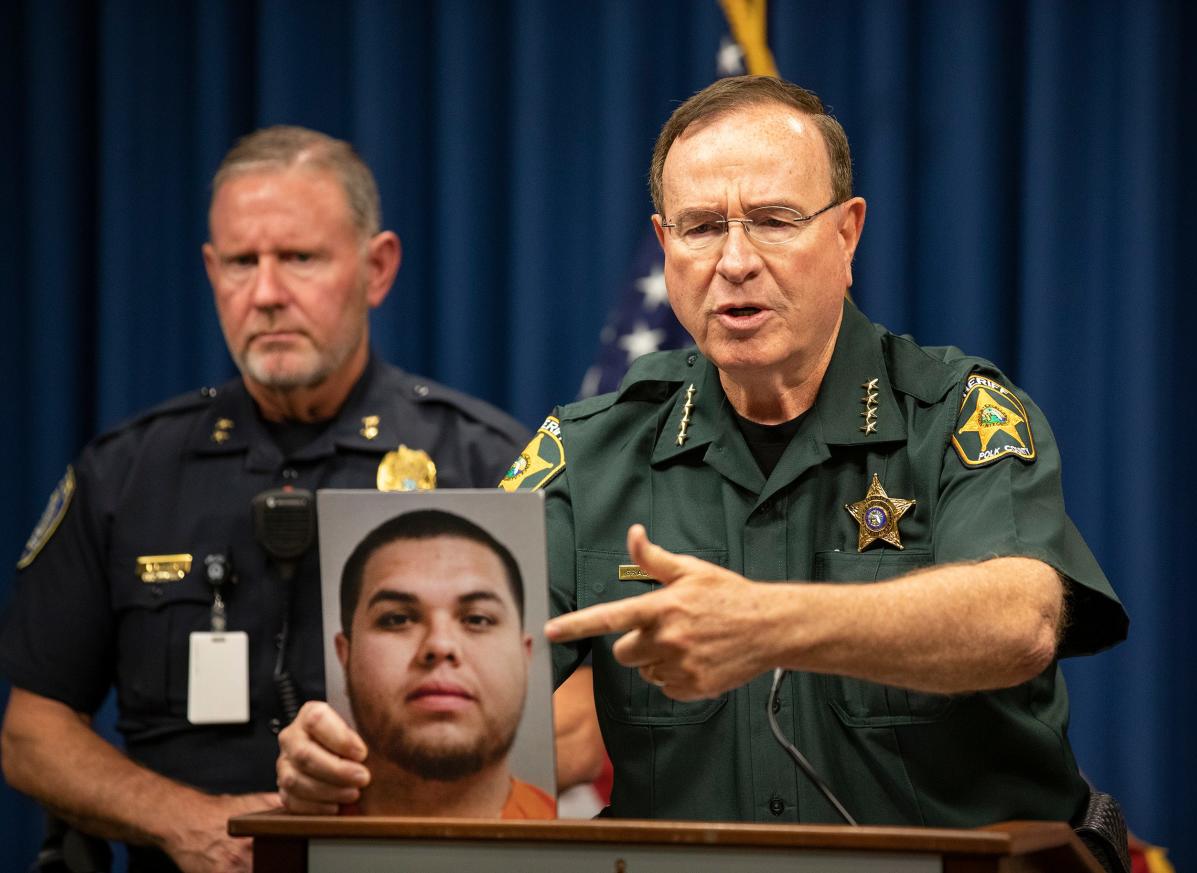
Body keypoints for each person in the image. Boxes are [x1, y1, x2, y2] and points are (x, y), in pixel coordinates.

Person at [275, 77, 1128, 832]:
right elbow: (474, 659)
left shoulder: (958, 413)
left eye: (774, 220)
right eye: (699, 228)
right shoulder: (589, 452)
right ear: (664, 244)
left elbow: (1020, 621)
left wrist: (769, 625)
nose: (734, 262)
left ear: (847, 235)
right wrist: (352, 749)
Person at [0, 126, 530, 872]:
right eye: (243, 263)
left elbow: (573, 715)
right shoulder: (127, 472)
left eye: (301, 259)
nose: (269, 294)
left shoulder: (487, 464)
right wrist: (188, 822)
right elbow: (32, 730)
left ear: (377, 269)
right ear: (212, 272)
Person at [331, 509, 554, 818]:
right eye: (397, 619)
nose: (439, 645)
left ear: (525, 655)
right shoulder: (294, 843)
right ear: (345, 655)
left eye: (477, 619)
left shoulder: (577, 851)